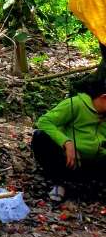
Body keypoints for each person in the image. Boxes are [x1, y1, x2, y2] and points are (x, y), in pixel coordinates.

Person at [32, 74, 106, 203]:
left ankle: (91, 187)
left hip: (91, 163)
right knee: (40, 137)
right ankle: (59, 183)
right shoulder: (76, 103)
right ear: (103, 98)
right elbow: (44, 121)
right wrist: (66, 142)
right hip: (67, 160)